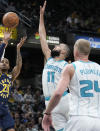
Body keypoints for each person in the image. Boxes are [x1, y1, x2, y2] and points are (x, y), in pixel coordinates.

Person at [42, 39, 100, 131]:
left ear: (75, 51)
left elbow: (57, 94)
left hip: (79, 118)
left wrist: (47, 113)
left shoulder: (71, 67)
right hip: (98, 119)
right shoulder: (98, 67)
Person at [0, 28, 27, 131]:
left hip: (5, 108)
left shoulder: (10, 77)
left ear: (9, 67)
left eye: (6, 62)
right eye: (2, 62)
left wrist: (18, 49)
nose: (4, 63)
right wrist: (4, 43)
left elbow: (19, 66)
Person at [39, 1, 70, 131]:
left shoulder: (67, 65)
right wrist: (41, 16)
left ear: (63, 51)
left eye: (58, 46)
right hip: (50, 102)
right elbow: (42, 35)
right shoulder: (49, 58)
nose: (54, 47)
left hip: (64, 99)